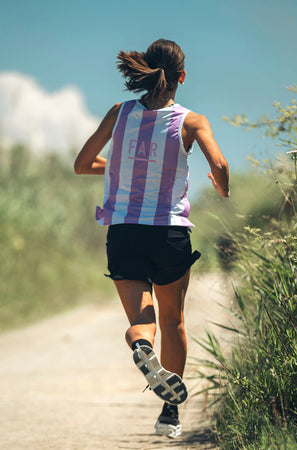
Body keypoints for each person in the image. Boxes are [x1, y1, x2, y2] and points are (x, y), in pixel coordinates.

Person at [74, 38, 229, 439]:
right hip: (168, 233)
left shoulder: (119, 113)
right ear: (182, 76)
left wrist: (122, 169)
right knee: (174, 321)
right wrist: (222, 186)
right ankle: (170, 414)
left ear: (146, 70)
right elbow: (220, 164)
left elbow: (82, 164)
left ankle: (142, 348)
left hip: (123, 231)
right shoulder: (191, 121)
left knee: (143, 321)